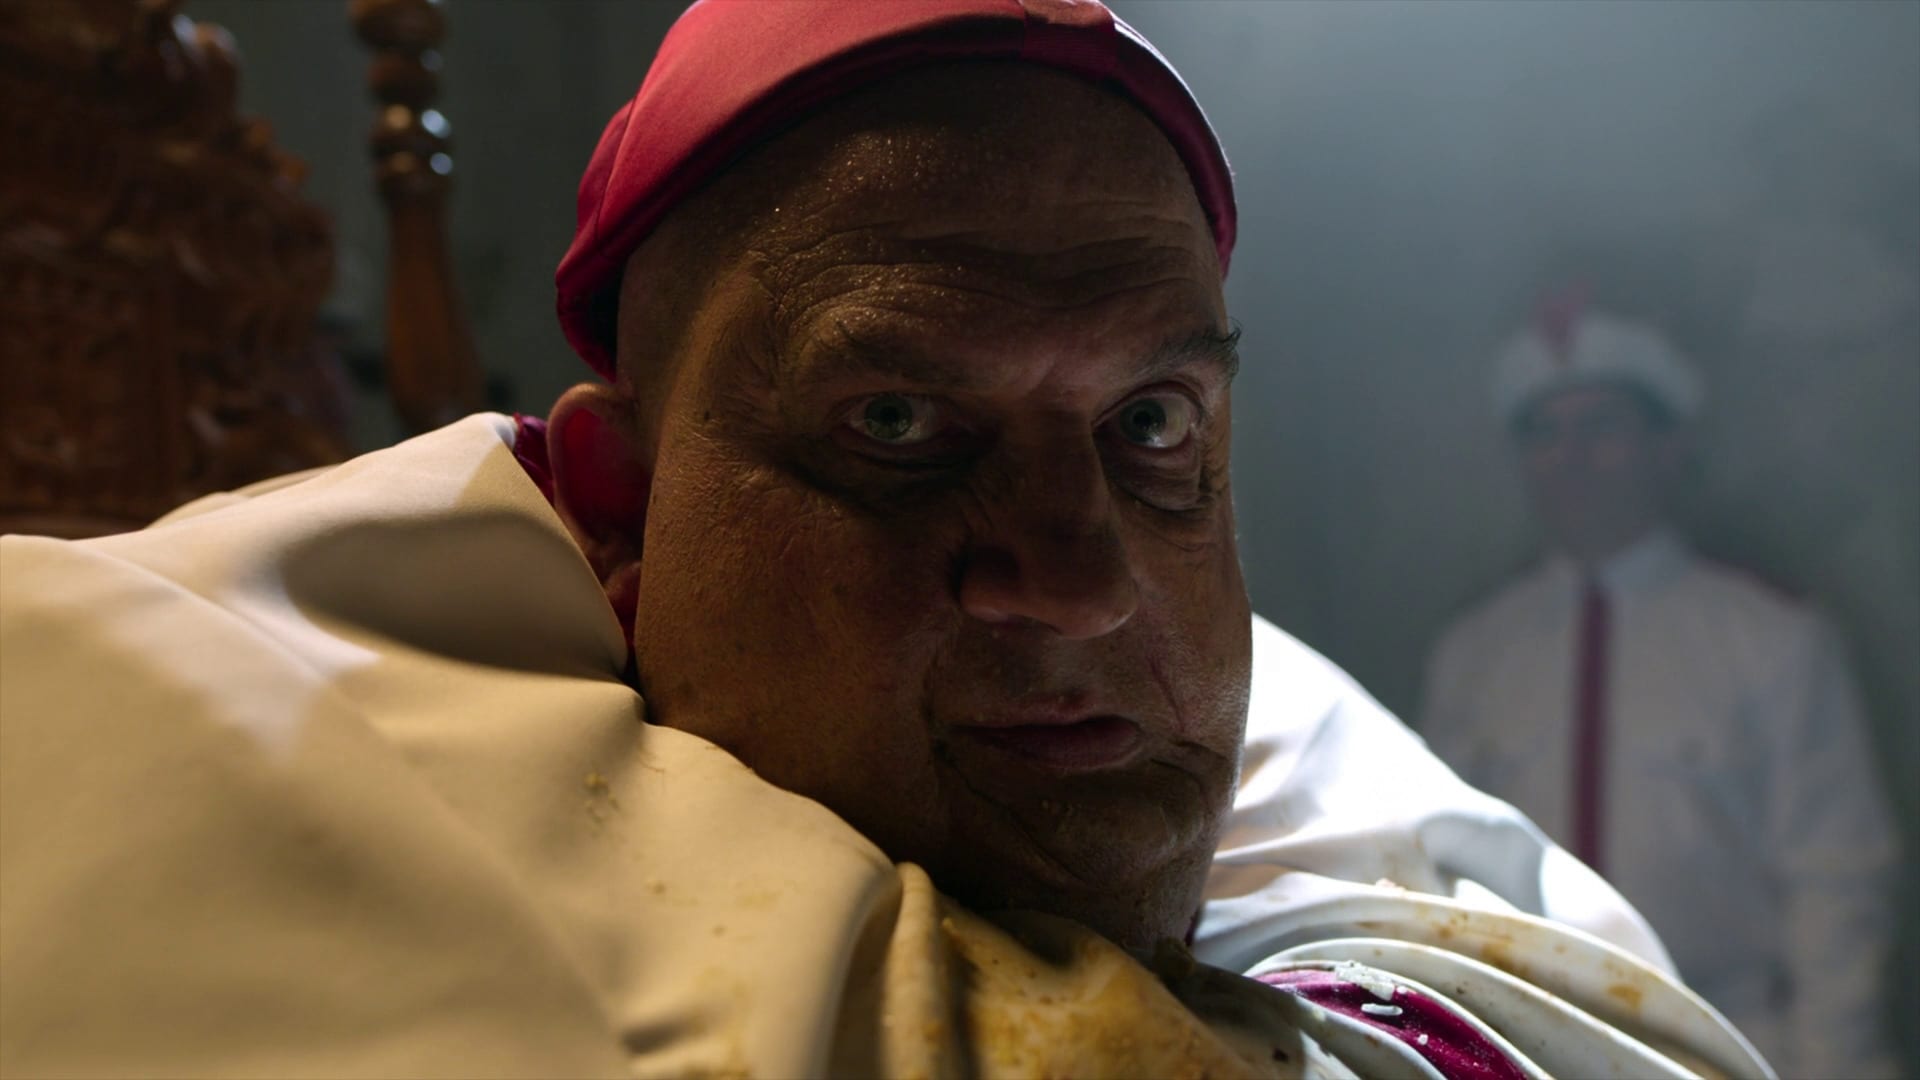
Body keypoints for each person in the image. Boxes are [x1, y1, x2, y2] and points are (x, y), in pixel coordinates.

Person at [3, 3, 1770, 1076]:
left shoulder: (1332, 774)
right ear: (615, 508)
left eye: (1154, 427)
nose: (1080, 581)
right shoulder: (183, 742)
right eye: (902, 428)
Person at [1420, 294, 1903, 1078]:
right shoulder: (1474, 653)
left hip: (1728, 1044)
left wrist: (1836, 1064)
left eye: (1602, 426)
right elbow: (1438, 878)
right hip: (1525, 1047)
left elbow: (1837, 883)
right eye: (1545, 433)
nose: (1572, 459)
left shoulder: (1771, 637)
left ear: (1668, 445)